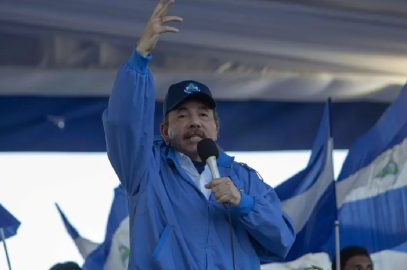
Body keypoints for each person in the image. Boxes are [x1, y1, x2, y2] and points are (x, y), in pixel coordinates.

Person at [102, 0, 296, 269]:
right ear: (164, 131)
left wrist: (243, 202)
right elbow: (124, 125)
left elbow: (283, 240)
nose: (194, 122)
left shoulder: (244, 179)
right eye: (182, 115)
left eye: (203, 114)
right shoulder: (145, 170)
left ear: (216, 127)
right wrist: (140, 57)